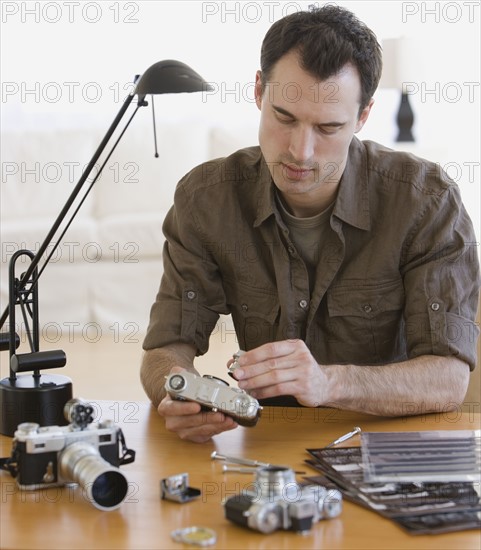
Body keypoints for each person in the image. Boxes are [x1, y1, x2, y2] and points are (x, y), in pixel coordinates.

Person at [140, 5, 480, 443]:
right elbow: (166, 347)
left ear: (363, 116)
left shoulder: (426, 201)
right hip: (268, 445)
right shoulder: (206, 198)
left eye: (328, 127)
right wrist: (178, 389)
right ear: (259, 90)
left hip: (386, 445)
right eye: (285, 117)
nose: (300, 152)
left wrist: (328, 383)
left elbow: (448, 378)